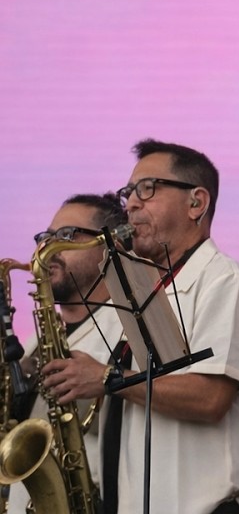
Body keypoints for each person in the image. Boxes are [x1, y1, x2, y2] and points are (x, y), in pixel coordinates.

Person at [41, 139, 239, 513]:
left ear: (197, 203)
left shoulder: (224, 280)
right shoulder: (144, 287)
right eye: (129, 192)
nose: (130, 204)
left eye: (147, 189)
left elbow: (210, 398)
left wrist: (107, 379)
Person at [5, 193, 127, 512]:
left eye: (66, 235)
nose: (48, 247)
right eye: (46, 236)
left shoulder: (128, 333)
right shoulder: (36, 340)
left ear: (107, 248)